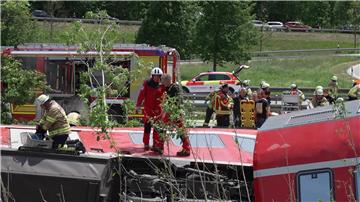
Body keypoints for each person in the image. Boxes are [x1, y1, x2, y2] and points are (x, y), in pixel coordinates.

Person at [161, 74, 190, 156]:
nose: (162, 82)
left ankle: (186, 149)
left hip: (176, 112)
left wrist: (173, 111)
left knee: (181, 131)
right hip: (171, 112)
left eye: (163, 80)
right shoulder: (168, 88)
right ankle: (159, 146)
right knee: (161, 127)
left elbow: (178, 100)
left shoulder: (175, 88)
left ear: (167, 80)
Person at [136, 67, 165, 151]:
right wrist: (138, 105)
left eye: (158, 76)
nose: (156, 78)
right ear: (152, 76)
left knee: (157, 128)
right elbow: (141, 94)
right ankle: (146, 143)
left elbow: (165, 97)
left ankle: (156, 145)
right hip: (148, 110)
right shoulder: (146, 84)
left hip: (158, 110)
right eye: (155, 76)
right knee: (147, 127)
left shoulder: (162, 85)